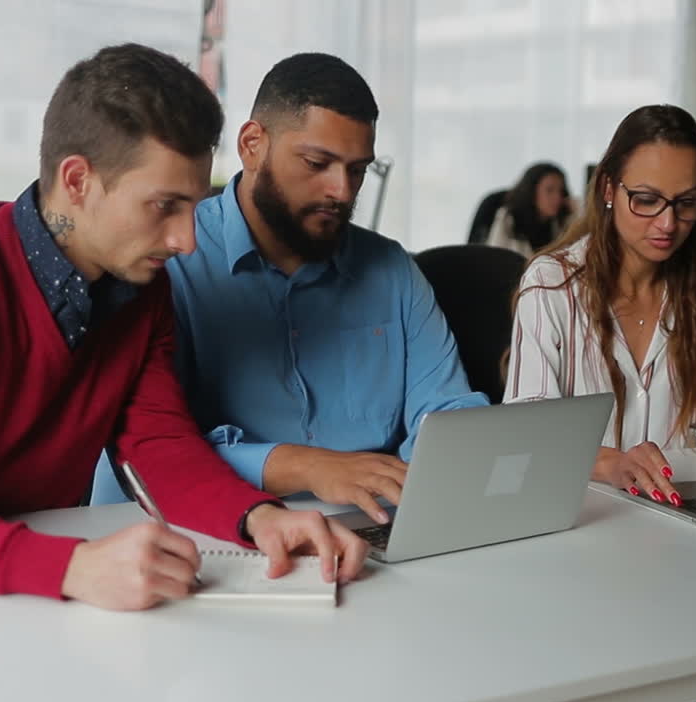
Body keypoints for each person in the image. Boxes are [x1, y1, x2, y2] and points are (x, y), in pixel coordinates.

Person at [0, 44, 366, 612]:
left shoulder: (142, 290)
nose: (186, 240)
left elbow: (156, 442)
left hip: (33, 584)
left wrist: (259, 518)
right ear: (77, 180)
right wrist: (72, 566)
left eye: (195, 204)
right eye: (164, 205)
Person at [503, 104, 696, 702]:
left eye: (686, 202)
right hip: (582, 536)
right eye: (646, 199)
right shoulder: (551, 286)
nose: (668, 222)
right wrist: (612, 461)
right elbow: (528, 435)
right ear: (608, 189)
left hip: (676, 535)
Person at [140, 52, 486, 523]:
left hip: (376, 525)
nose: (342, 191)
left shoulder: (392, 271)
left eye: (357, 170)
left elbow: (447, 410)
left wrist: (463, 449)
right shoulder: (170, 262)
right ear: (252, 144)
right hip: (214, 524)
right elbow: (147, 444)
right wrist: (307, 467)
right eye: (317, 162)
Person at [485, 162, 572, 258]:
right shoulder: (508, 218)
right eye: (549, 190)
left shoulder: (562, 222)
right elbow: (492, 260)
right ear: (531, 191)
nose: (557, 197)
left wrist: (577, 211)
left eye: (561, 191)